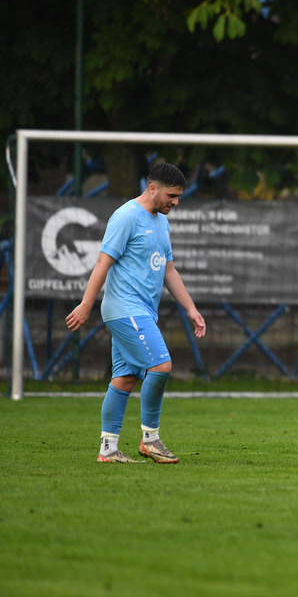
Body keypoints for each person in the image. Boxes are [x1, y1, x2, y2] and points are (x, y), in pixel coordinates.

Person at [66, 162, 207, 464]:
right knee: (161, 366)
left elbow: (169, 270)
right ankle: (150, 439)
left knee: (125, 379)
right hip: (125, 308)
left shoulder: (162, 223)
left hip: (140, 312)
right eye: (171, 195)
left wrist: (191, 308)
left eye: (179, 197)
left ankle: (108, 449)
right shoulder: (126, 216)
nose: (175, 202)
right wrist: (86, 304)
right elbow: (102, 263)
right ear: (152, 188)